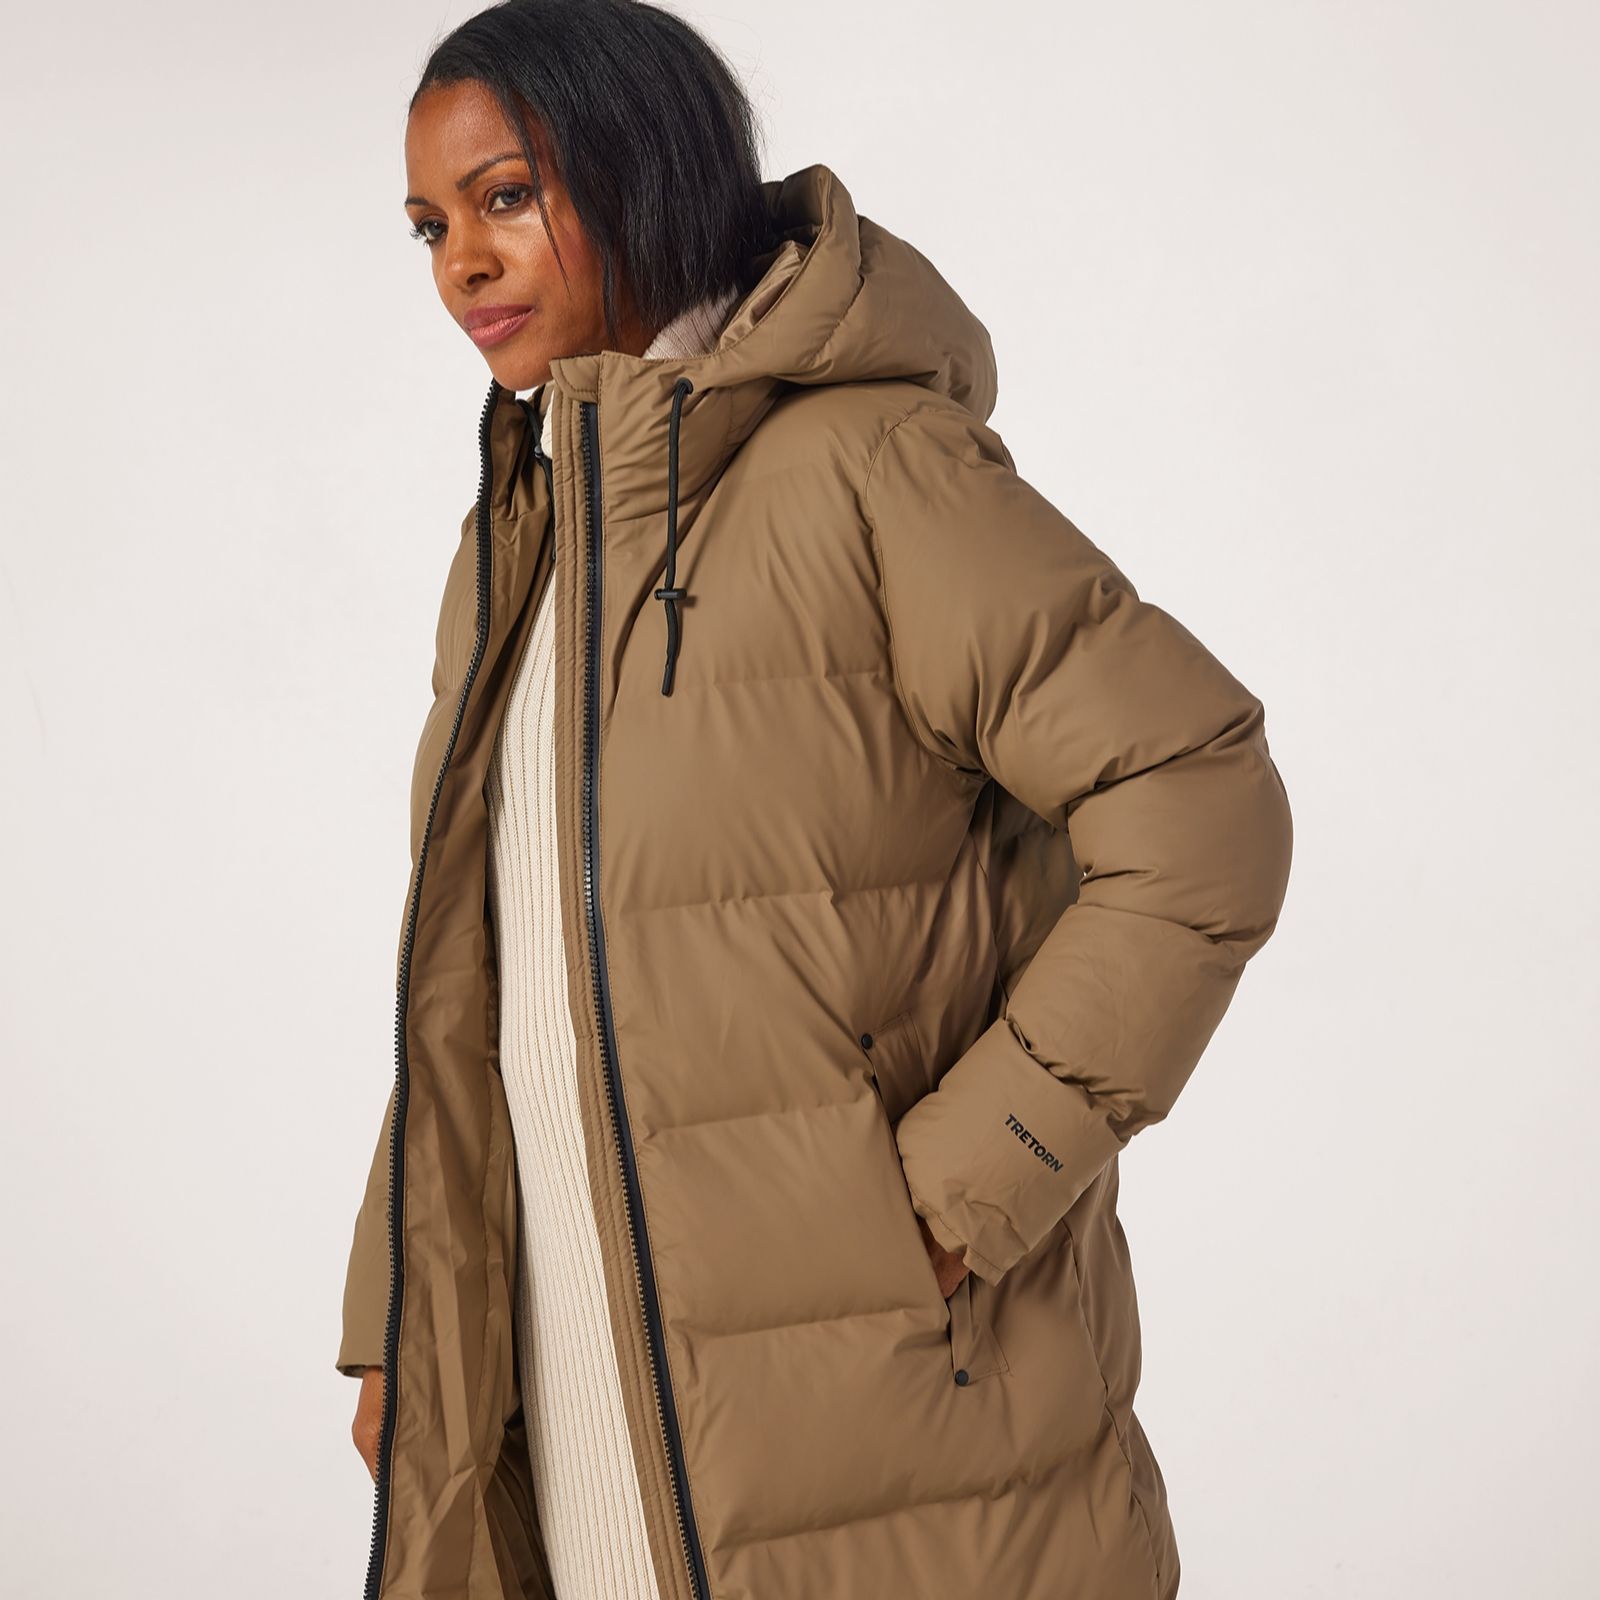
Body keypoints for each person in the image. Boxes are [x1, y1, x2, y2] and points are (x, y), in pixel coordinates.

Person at [336, 2, 1295, 1597]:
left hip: (891, 1427)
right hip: (580, 1404)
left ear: (646, 172)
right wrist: (401, 1308)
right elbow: (480, 965)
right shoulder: (521, 540)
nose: (462, 264)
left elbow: (1199, 795)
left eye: (507, 198)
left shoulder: (873, 472)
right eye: (432, 225)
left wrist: (975, 1181)